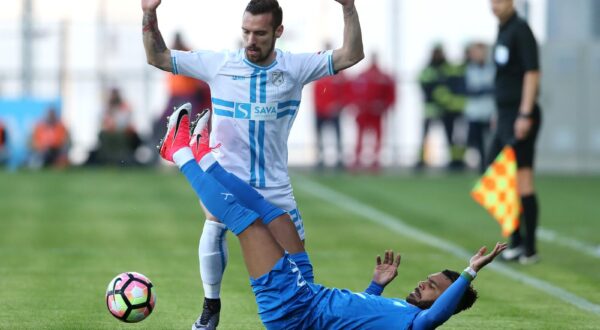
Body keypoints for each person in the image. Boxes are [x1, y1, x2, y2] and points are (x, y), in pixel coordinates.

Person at [158, 104, 508, 330]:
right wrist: (375, 287)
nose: (422, 284)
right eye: (429, 279)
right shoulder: (400, 309)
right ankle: (206, 159)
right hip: (310, 294)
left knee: (247, 223)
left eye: (432, 287)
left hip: (292, 312)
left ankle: (180, 153)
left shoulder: (418, 325)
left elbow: (436, 316)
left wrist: (470, 271)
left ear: (446, 303)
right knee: (274, 215)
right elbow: (349, 318)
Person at [141, 0, 364, 328]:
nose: (251, 40)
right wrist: (148, 13)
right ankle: (210, 306)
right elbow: (157, 57)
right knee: (215, 221)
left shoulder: (295, 67)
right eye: (246, 31)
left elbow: (350, 55)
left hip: (275, 188)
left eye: (260, 33)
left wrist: (348, 7)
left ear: (278, 32)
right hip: (226, 177)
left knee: (302, 278)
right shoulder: (218, 64)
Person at [489, 0, 542, 265]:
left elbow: (531, 73)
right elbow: (504, 76)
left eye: (499, 1)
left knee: (522, 181)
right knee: (497, 177)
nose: (494, 5)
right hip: (506, 116)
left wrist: (524, 113)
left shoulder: (521, 29)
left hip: (520, 115)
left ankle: (528, 248)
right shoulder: (503, 30)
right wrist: (499, 115)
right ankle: (516, 239)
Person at [416, 45, 466, 171]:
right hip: (431, 109)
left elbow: (453, 84)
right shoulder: (429, 69)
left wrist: (445, 98)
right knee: (426, 137)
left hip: (446, 109)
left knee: (450, 136)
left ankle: (455, 160)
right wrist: (440, 95)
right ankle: (421, 160)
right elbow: (426, 86)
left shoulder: (446, 68)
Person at [350, 53, 396, 171]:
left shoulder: (383, 77)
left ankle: (375, 160)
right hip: (364, 112)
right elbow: (352, 92)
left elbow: (391, 95)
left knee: (377, 136)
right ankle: (357, 159)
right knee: (360, 137)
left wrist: (383, 106)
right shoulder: (363, 76)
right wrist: (357, 105)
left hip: (376, 113)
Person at [312, 43, 349, 169]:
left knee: (337, 135)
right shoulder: (317, 70)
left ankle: (339, 159)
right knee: (319, 136)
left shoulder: (339, 71)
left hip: (334, 111)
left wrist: (338, 106)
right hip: (320, 110)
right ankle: (320, 159)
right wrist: (320, 107)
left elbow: (345, 91)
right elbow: (315, 93)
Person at [464, 42, 495, 173]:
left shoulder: (492, 69)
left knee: (491, 142)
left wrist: (480, 90)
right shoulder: (468, 69)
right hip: (474, 113)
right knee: (476, 143)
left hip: (489, 112)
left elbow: (495, 88)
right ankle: (481, 168)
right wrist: (483, 89)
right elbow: (467, 90)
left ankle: (490, 168)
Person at [94, 88, 141, 165]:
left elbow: (126, 122)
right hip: (109, 134)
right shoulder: (106, 108)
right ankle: (107, 159)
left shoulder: (125, 107)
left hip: (122, 134)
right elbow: (102, 123)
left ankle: (122, 159)